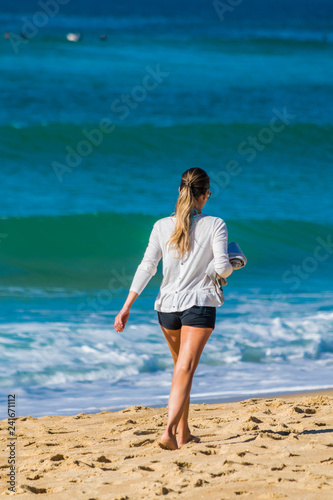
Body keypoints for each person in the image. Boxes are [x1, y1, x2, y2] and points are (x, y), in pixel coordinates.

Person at [114, 167, 234, 450]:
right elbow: (222, 268)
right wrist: (234, 262)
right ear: (205, 195)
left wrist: (126, 306)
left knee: (181, 368)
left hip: (166, 307)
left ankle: (184, 432)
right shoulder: (215, 224)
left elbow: (147, 267)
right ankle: (168, 431)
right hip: (199, 304)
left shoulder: (160, 226)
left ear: (180, 191)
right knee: (185, 368)